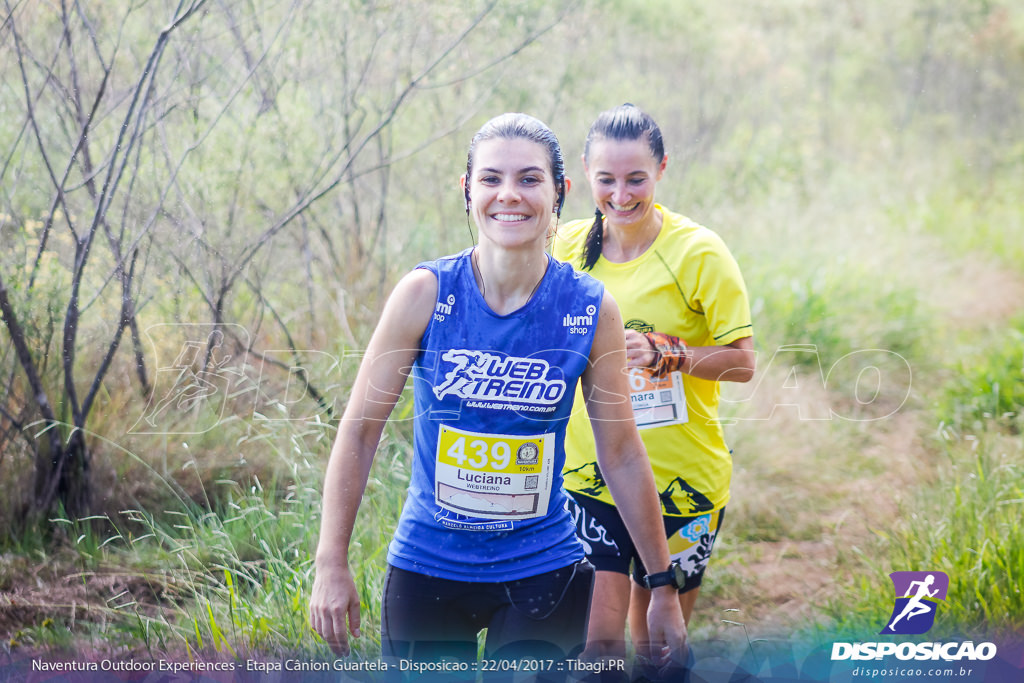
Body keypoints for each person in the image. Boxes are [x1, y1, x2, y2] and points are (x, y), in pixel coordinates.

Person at [309, 113, 686, 680]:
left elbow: (623, 453)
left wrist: (660, 586)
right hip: (428, 567)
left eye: (530, 179)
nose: (509, 195)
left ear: (559, 191)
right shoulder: (425, 294)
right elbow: (361, 431)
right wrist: (330, 562)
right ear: (468, 191)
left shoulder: (589, 308)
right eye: (491, 180)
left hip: (545, 573)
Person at [552, 104, 755, 680]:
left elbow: (743, 364)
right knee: (597, 649)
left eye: (636, 178)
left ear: (662, 169)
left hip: (683, 482)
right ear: (585, 177)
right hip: (590, 473)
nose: (620, 194)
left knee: (657, 651)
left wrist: (671, 351)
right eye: (606, 179)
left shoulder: (699, 253)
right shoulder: (565, 249)